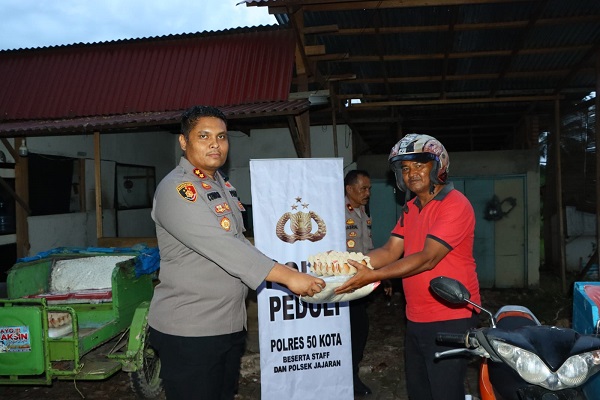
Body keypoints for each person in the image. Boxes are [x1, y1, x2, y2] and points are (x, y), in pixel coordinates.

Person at [148, 105, 325, 400]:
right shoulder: (178, 189)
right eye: (203, 136)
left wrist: (288, 265)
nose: (215, 143)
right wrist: (287, 277)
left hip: (226, 323)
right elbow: (221, 244)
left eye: (221, 136)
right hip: (191, 328)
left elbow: (239, 240)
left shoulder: (220, 185)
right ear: (184, 142)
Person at [336, 133, 481, 400]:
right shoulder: (411, 208)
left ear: (437, 166)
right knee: (420, 391)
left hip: (450, 316)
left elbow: (428, 258)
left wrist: (373, 276)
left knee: (445, 393)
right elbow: (391, 250)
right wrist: (345, 266)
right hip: (416, 317)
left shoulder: (455, 204)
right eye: (405, 168)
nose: (411, 173)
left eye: (419, 165)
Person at [343, 169, 374, 396]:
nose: (367, 193)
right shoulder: (338, 212)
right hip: (345, 282)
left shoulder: (362, 211)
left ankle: (350, 376)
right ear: (349, 189)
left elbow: (367, 247)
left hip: (363, 279)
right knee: (355, 330)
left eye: (369, 188)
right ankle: (349, 379)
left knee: (358, 330)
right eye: (363, 188)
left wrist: (380, 273)